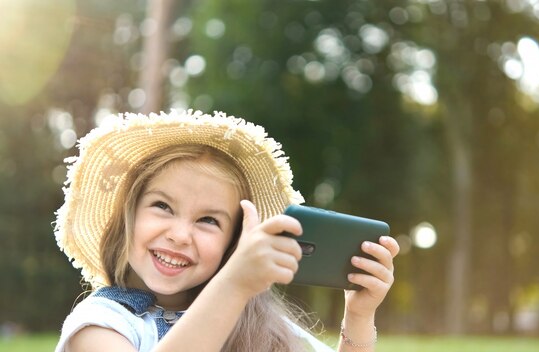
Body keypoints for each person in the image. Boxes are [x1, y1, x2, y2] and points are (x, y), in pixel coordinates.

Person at [54, 110, 399, 351]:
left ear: (234, 242)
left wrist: (358, 315)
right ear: (128, 215)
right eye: (162, 206)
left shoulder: (255, 322)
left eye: (208, 220)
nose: (179, 234)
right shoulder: (101, 322)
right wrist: (234, 284)